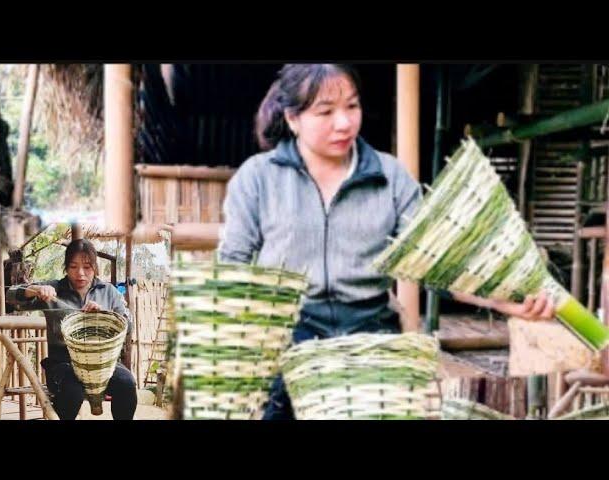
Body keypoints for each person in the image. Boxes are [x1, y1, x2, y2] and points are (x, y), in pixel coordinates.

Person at [217, 64, 555, 420]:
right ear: (292, 119)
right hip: (287, 338)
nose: (345, 122)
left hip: (372, 339)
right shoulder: (257, 178)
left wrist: (502, 301)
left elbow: (433, 263)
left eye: (352, 106)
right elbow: (233, 266)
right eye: (326, 111)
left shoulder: (390, 176)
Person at [6, 238, 137, 420]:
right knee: (72, 390)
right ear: (66, 267)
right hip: (63, 363)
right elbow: (10, 296)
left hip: (103, 364)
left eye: (87, 267)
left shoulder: (108, 291)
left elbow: (128, 324)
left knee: (127, 384)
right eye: (73, 267)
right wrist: (34, 290)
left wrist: (105, 314)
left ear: (95, 268)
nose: (80, 273)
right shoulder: (54, 289)